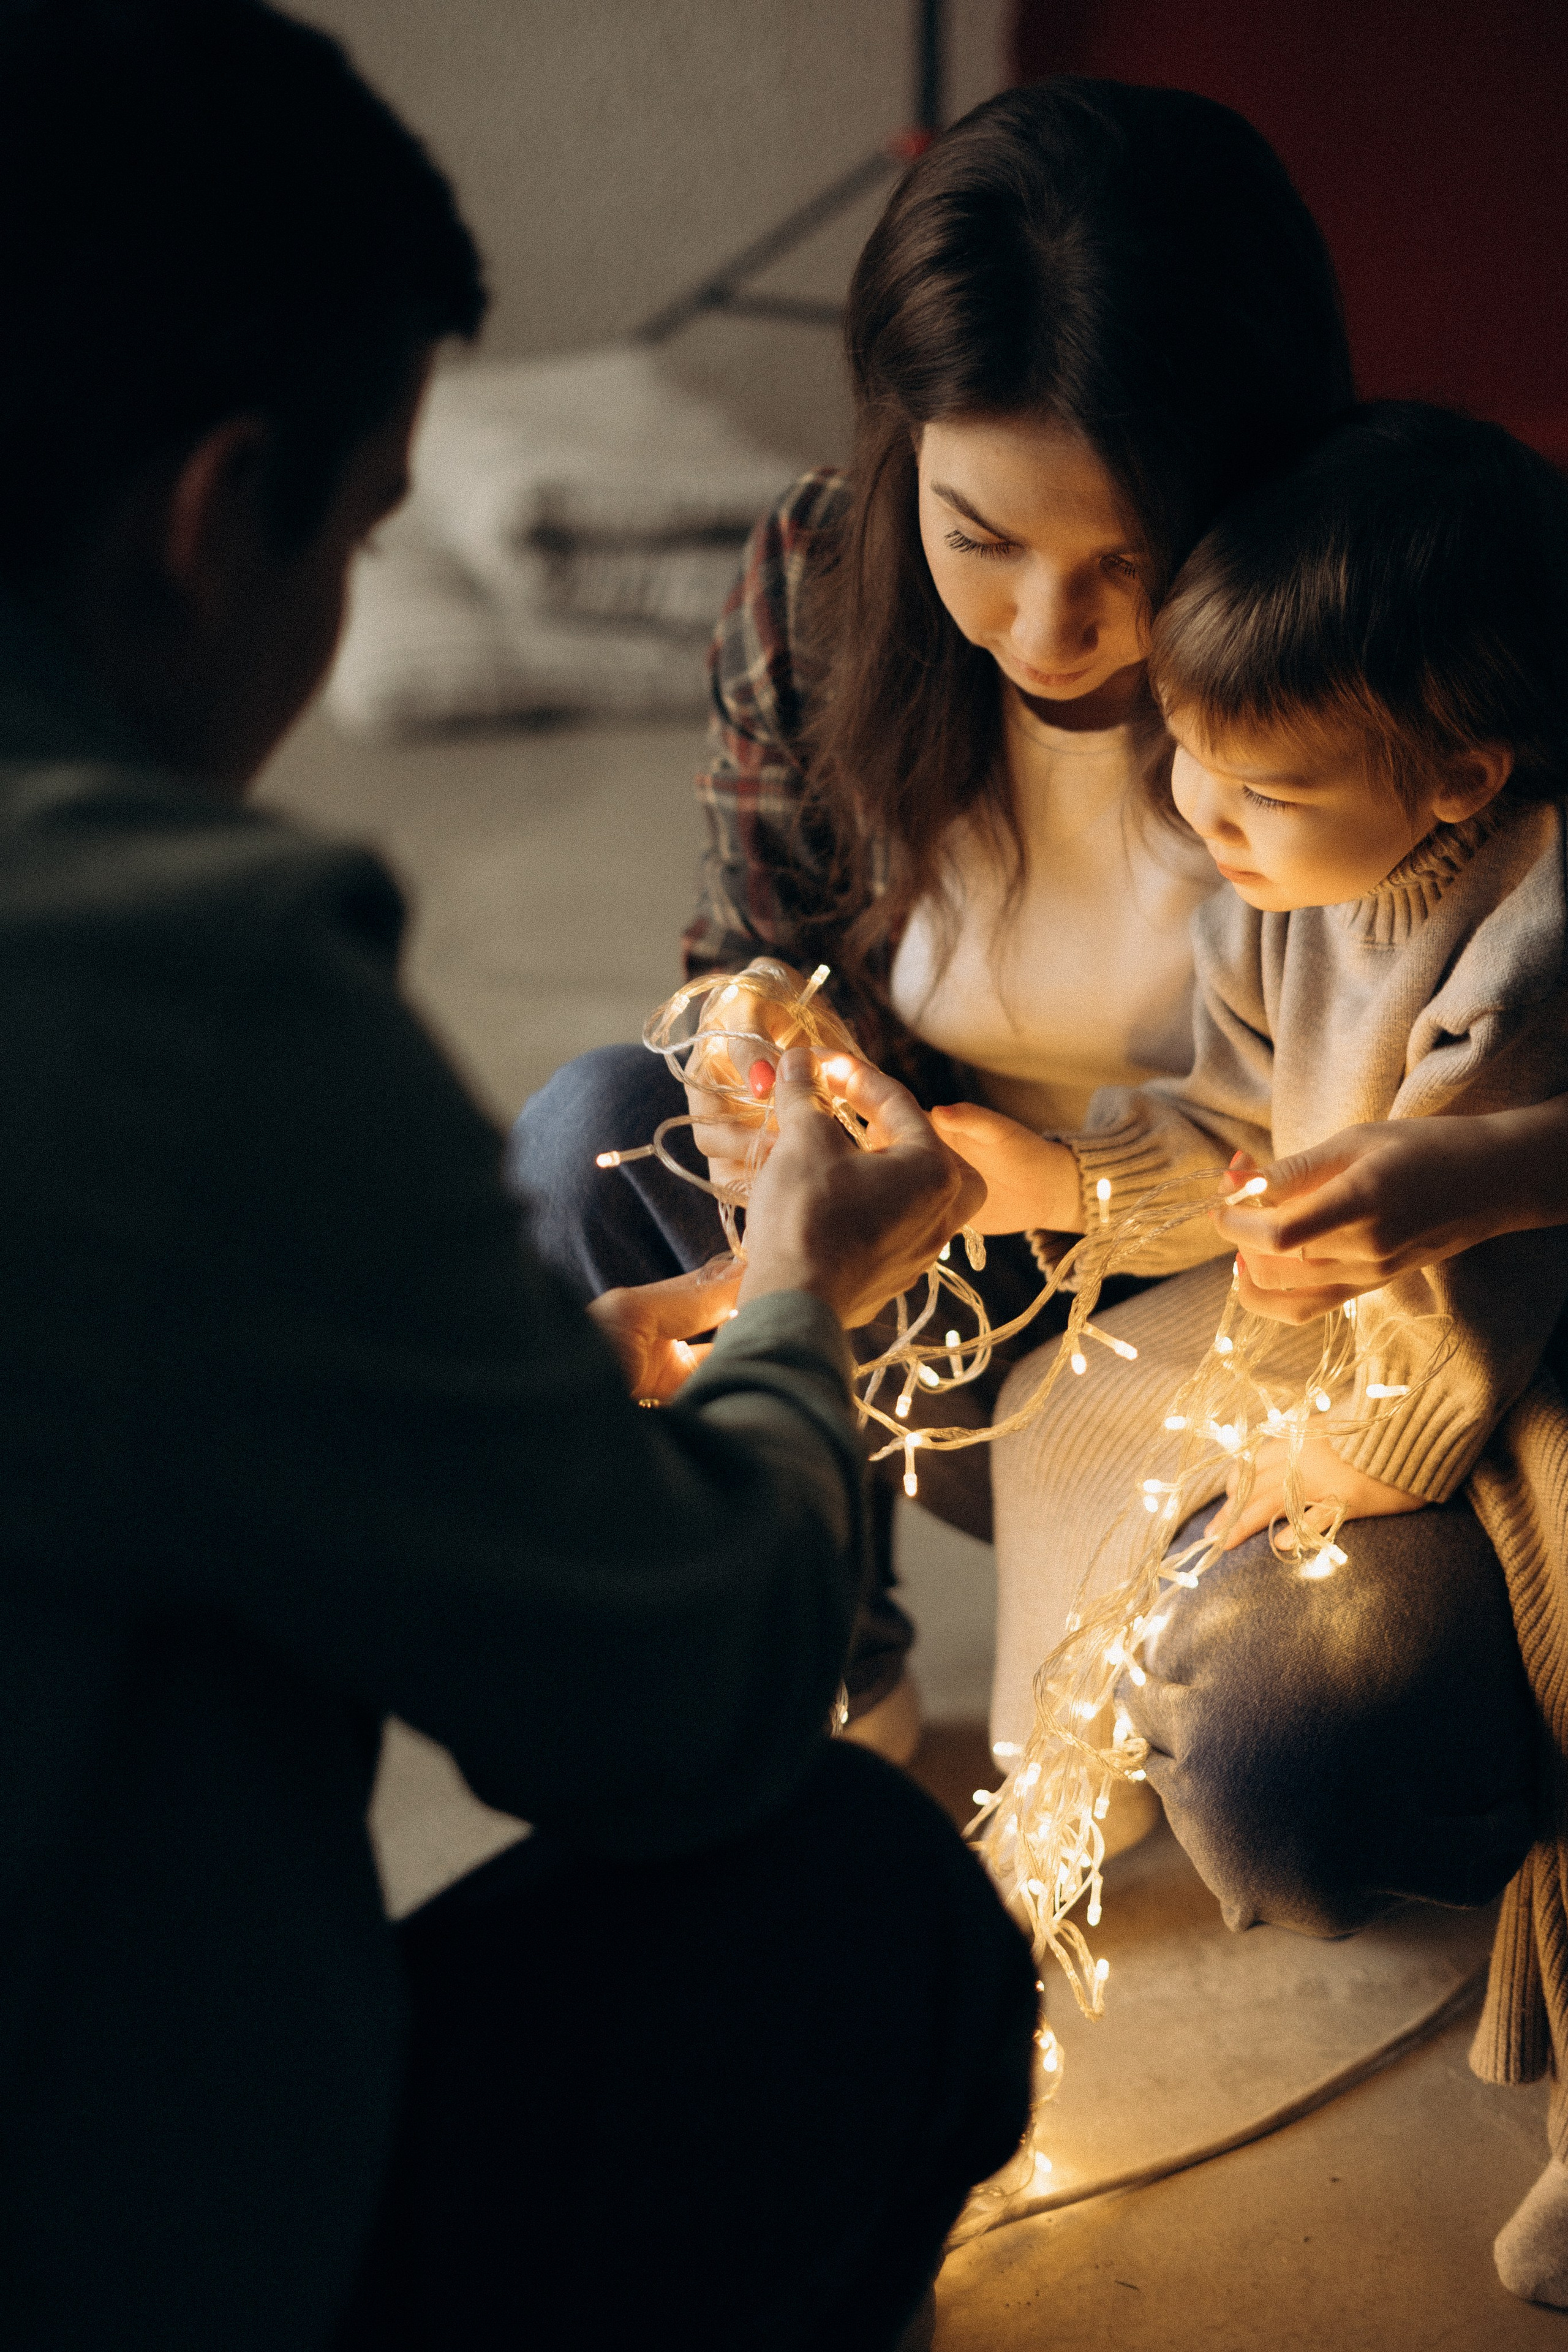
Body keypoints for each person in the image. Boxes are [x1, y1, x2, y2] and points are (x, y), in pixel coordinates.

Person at [0, 6, 1039, 2348]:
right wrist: (789, 1311)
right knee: (858, 1914)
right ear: (208, 518)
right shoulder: (184, 978)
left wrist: (509, 1399)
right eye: (365, 537)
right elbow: (666, 1714)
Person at [511, 80, 1568, 1771]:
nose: (1048, 628)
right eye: (979, 537)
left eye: (1128, 563)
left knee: (1286, 1739)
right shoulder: (818, 589)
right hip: (945, 1257)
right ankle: (826, 1701)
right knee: (595, 1145)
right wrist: (753, 1036)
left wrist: (1487, 1180)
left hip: (1287, 1319)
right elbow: (746, 940)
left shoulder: (1398, 657)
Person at [961, 403, 1568, 2304]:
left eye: (1257, 792)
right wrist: (1060, 1179)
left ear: (1457, 774)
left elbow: (1491, 1293)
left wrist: (1364, 1455)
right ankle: (1084, 1798)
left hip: (1498, 1386)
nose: (1203, 830)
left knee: (1317, 1665)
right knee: (1077, 1443)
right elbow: (1236, 1136)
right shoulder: (1282, 894)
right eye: (1194, 771)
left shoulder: (1528, 952)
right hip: (1367, 1319)